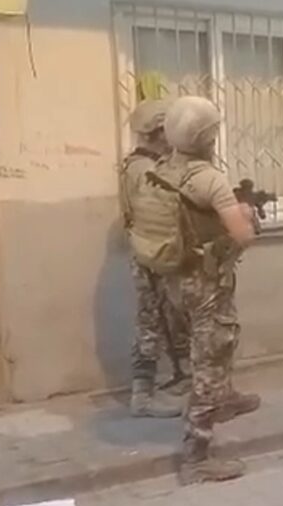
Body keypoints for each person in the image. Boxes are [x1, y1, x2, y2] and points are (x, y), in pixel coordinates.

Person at [151, 96, 262, 485]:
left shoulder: (161, 169)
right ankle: (196, 457)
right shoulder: (209, 179)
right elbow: (243, 236)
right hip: (204, 283)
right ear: (207, 137)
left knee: (208, 352)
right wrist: (244, 214)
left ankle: (224, 399)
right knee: (209, 362)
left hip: (174, 279)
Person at [120, 99, 191, 418]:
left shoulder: (137, 165)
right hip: (154, 254)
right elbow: (163, 215)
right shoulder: (147, 171)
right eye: (167, 130)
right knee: (151, 322)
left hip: (152, 252)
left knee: (169, 319)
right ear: (158, 133)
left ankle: (179, 379)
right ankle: (143, 396)